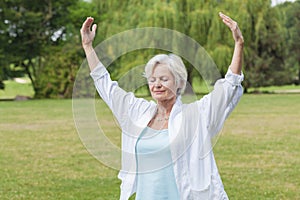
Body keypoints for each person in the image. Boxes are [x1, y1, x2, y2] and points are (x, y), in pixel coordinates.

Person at [80, 12, 244, 200]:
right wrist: (88, 46)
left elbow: (229, 85)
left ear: (179, 82)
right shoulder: (138, 111)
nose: (157, 84)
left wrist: (239, 44)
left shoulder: (196, 114)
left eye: (164, 79)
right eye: (152, 80)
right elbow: (105, 84)